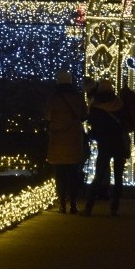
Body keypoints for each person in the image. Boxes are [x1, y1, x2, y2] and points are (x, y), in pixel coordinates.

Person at [82, 79, 131, 217]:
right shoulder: (120, 104)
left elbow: (91, 123)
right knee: (118, 176)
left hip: (104, 144)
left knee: (98, 175)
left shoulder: (96, 105)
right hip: (119, 144)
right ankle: (114, 208)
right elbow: (126, 123)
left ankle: (89, 207)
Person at [44, 70, 88, 214]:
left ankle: (62, 203)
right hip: (74, 140)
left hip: (57, 141)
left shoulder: (54, 98)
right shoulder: (78, 97)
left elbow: (48, 116)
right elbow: (84, 114)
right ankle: (73, 204)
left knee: (60, 175)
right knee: (73, 174)